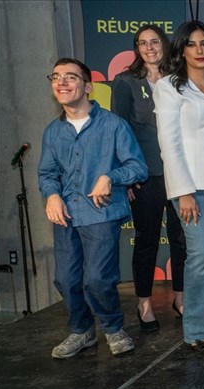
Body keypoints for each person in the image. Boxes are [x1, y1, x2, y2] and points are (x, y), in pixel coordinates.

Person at [40, 57, 147, 358]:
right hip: (65, 216)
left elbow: (138, 167)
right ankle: (82, 331)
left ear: (87, 86)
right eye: (56, 76)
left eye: (70, 77)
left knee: (98, 279)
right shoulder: (52, 132)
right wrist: (51, 195)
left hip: (100, 214)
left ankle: (113, 328)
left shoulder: (113, 125)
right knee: (66, 279)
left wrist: (110, 177)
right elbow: (47, 173)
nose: (61, 82)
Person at [153, 20, 204, 349]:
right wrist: (183, 191)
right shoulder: (169, 87)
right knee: (201, 256)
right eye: (192, 44)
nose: (200, 50)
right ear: (181, 49)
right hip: (192, 187)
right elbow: (169, 143)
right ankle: (197, 331)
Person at [112, 24, 186, 331]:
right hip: (144, 176)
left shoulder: (179, 79)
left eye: (155, 41)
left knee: (182, 241)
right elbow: (118, 131)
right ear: (136, 48)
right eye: (142, 43)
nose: (149, 47)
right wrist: (126, 177)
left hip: (179, 174)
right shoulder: (125, 81)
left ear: (164, 45)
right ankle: (144, 303)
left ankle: (181, 298)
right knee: (146, 240)